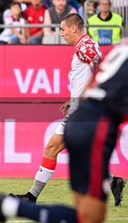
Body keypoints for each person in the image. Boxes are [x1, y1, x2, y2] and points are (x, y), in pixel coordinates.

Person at [0, 38, 128, 223]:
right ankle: (14, 204)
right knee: (90, 216)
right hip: (96, 125)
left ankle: (13, 205)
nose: (62, 32)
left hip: (82, 117)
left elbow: (95, 79)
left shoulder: (121, 46)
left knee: (86, 213)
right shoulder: (88, 45)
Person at [10, 13, 126, 207]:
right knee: (82, 154)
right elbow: (90, 75)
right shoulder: (84, 45)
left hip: (83, 112)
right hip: (81, 107)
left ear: (74, 28)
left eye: (63, 29)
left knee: (51, 147)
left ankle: (31, 197)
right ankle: (113, 181)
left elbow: (101, 67)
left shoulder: (84, 46)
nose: (61, 33)